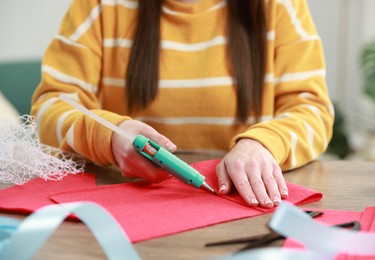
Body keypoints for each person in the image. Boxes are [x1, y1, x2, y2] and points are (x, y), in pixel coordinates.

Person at [31, 0, 334, 208]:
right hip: (126, 206)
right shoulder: (100, 6)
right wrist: (110, 136)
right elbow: (50, 106)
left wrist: (263, 144)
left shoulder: (278, 6)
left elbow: (313, 110)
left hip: (240, 210)